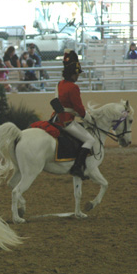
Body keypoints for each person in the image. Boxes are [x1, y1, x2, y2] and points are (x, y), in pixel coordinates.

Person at [51, 50, 94, 180]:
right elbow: (79, 109)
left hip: (55, 119)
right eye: (77, 74)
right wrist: (88, 118)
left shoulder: (60, 84)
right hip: (67, 122)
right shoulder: (73, 88)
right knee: (90, 140)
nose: (78, 76)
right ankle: (77, 167)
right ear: (73, 74)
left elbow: (56, 102)